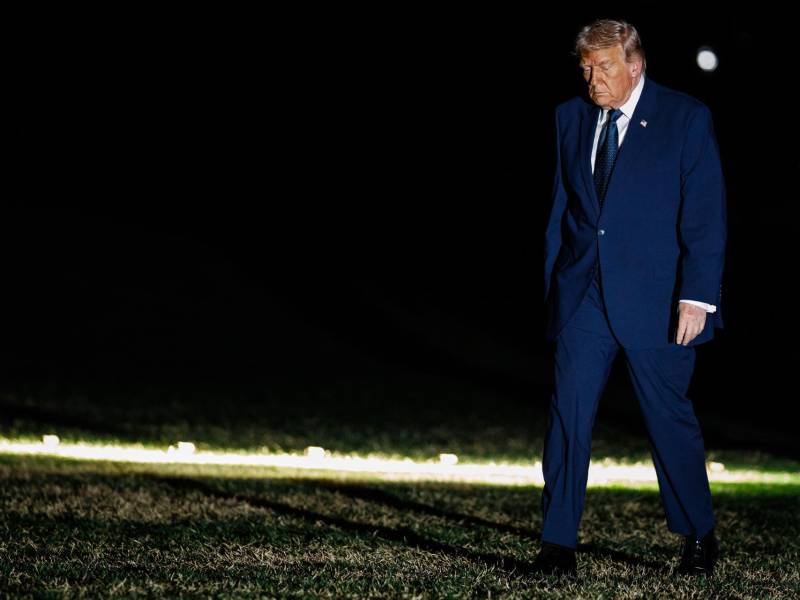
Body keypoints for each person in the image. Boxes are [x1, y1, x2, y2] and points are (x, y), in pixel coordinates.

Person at [535, 19, 726, 577]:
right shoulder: (569, 118)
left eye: (605, 67)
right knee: (567, 416)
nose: (593, 79)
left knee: (669, 419)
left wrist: (697, 297)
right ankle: (556, 546)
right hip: (582, 298)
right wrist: (555, 288)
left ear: (635, 65)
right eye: (586, 68)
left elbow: (705, 215)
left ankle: (697, 536)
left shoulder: (685, 118)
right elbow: (560, 213)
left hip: (658, 300)